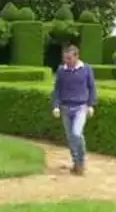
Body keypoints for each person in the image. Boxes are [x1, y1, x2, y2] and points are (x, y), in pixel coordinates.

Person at [50, 45, 97, 176]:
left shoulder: (86, 69)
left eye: (69, 58)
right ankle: (76, 164)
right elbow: (57, 90)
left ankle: (81, 162)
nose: (66, 61)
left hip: (80, 107)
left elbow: (92, 87)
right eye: (65, 58)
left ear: (76, 56)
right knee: (70, 139)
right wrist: (56, 106)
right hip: (65, 108)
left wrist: (91, 105)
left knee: (77, 133)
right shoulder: (61, 70)